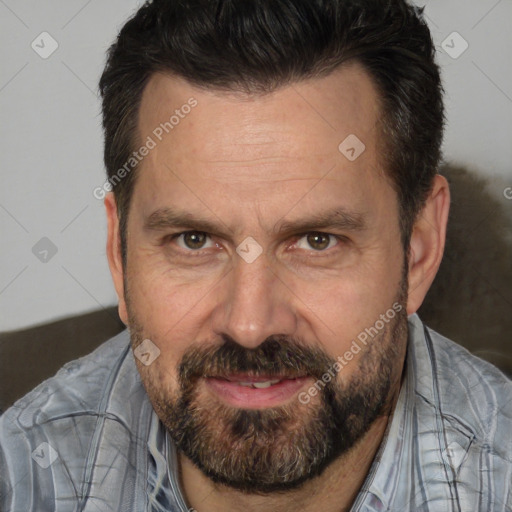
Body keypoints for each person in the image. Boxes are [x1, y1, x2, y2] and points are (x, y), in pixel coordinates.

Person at [1, 0, 511, 510]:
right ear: (119, 252)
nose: (250, 324)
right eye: (194, 240)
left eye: (317, 241)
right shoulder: (23, 478)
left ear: (419, 249)